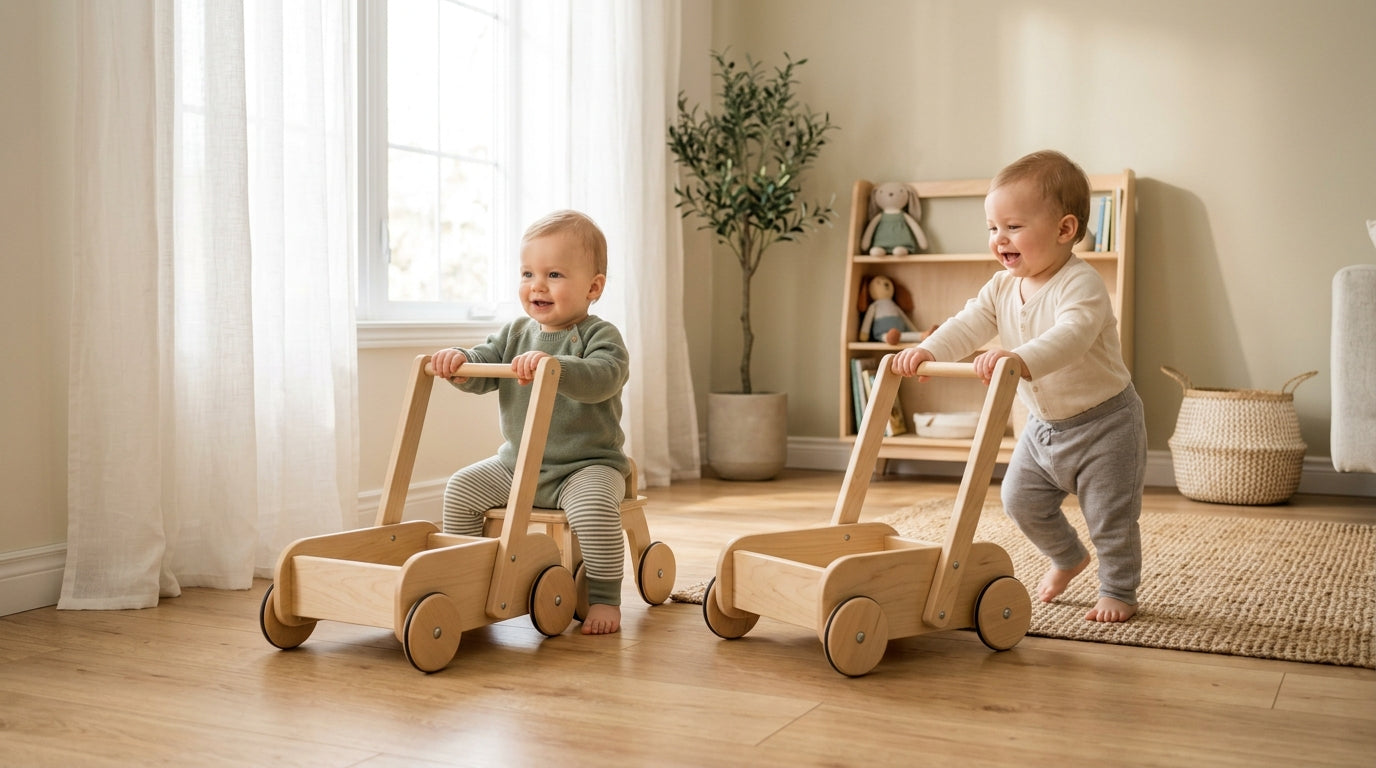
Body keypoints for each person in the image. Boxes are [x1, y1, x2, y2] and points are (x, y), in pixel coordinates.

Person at [892, 150, 1146, 623]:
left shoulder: (1081, 286)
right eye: (992, 228)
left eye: (1013, 227)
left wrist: (1018, 358)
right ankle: (1068, 557)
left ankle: (1118, 589)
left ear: (1065, 230)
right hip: (1043, 425)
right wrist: (930, 351)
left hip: (1106, 424)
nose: (999, 239)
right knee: (1019, 500)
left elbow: (1068, 338)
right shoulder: (1001, 287)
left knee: (1110, 519)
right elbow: (967, 325)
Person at [431, 210, 631, 635]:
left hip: (585, 466)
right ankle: (467, 576)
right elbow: (484, 363)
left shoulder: (601, 336)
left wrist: (555, 365)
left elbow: (604, 376)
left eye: (554, 274)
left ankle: (604, 597)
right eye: (527, 273)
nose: (537, 285)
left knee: (595, 510)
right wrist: (460, 363)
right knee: (461, 489)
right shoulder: (515, 333)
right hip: (517, 464)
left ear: (593, 287)